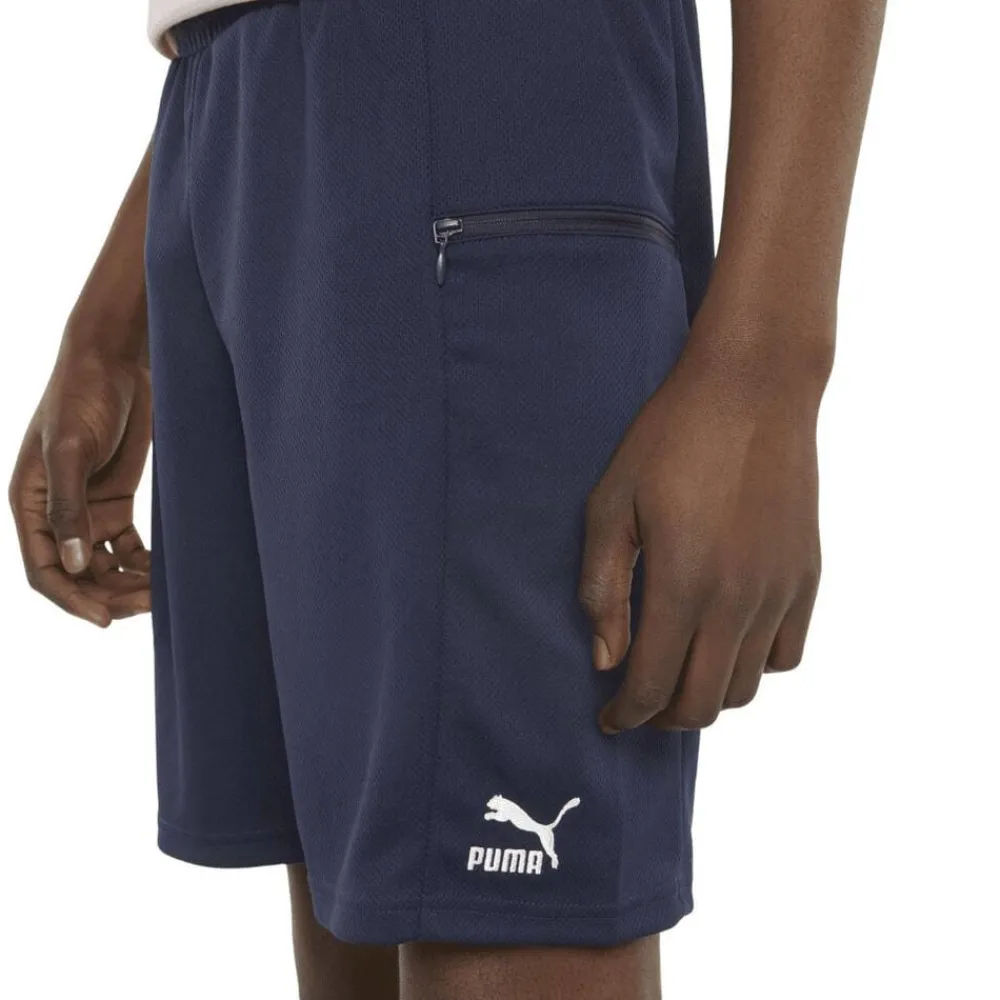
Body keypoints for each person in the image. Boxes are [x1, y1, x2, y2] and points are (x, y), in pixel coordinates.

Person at [8, 0, 886, 997]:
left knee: (500, 917)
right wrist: (126, 300)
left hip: (489, 80)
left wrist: (764, 367)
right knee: (367, 910)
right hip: (235, 103)